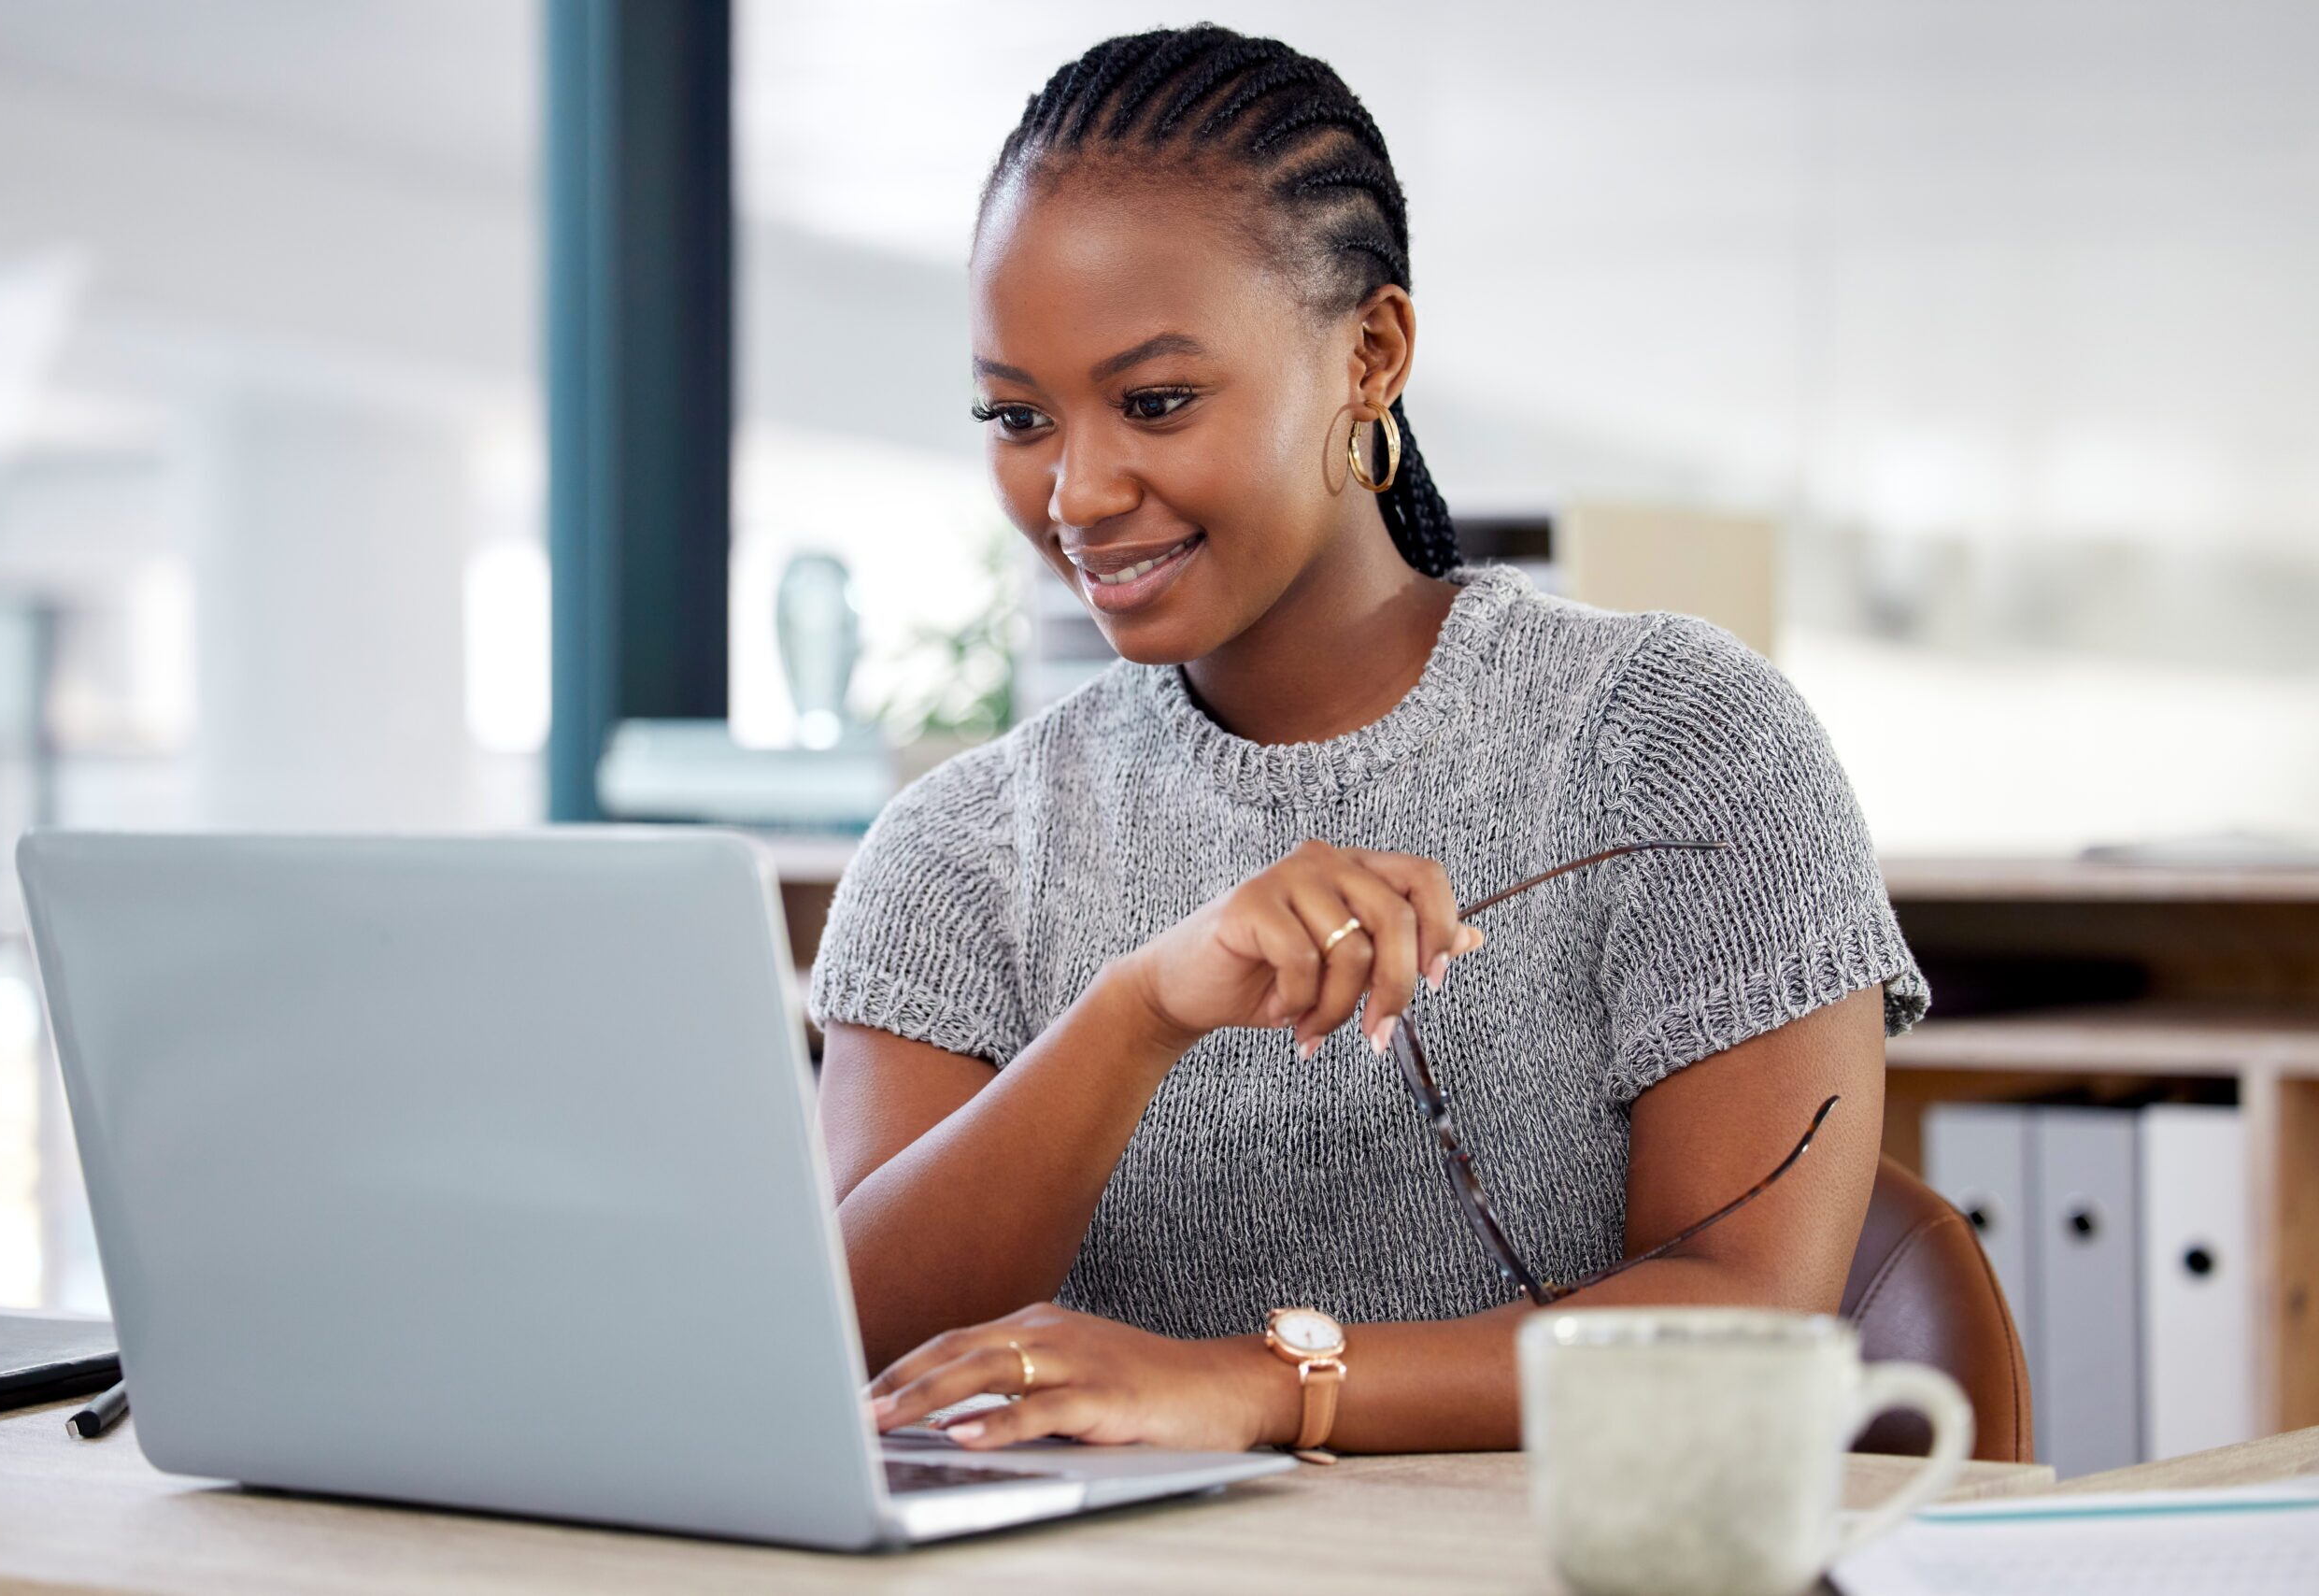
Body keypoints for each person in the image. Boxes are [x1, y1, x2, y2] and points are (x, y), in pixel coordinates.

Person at [807, 23, 1928, 1457]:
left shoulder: (1674, 746)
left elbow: (1745, 1330)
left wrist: (1260, 1385)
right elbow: (865, 1352)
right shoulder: (958, 847)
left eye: (1156, 402)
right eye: (1017, 416)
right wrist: (1136, 1014)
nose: (1076, 491)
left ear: (1371, 354)